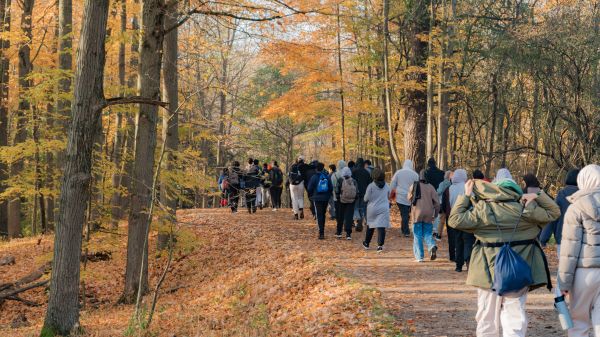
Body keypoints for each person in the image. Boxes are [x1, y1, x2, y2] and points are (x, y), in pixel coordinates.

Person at [449, 169, 559, 337]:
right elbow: (554, 212)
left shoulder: (483, 208)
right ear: (515, 188)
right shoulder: (526, 207)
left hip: (486, 271)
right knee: (515, 318)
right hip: (518, 270)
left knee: (487, 317)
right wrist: (536, 192)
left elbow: (455, 220)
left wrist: (466, 196)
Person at [558, 164, 600, 337]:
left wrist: (564, 283)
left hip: (584, 272)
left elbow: (570, 248)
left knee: (578, 323)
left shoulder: (575, 207)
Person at [540, 169, 579, 256]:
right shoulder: (586, 196)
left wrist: (543, 238)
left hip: (563, 240)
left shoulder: (561, 195)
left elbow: (553, 217)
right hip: (583, 241)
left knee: (565, 267)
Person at [408, 169, 440, 262]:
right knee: (427, 233)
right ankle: (431, 245)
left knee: (417, 234)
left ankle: (420, 257)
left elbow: (409, 198)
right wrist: (436, 214)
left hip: (416, 213)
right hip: (428, 213)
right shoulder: (431, 187)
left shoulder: (414, 186)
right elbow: (437, 203)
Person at [447, 169, 474, 272]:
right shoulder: (466, 186)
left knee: (458, 241)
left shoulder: (450, 188)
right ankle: (468, 261)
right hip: (466, 216)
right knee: (467, 240)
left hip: (455, 217)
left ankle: (458, 265)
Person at [362, 168, 390, 253]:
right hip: (384, 208)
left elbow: (365, 198)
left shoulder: (371, 186)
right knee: (381, 227)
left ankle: (366, 243)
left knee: (371, 226)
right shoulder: (387, 185)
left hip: (372, 208)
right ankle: (380, 246)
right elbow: (389, 195)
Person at [390, 160, 419, 237]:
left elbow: (393, 184)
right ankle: (405, 231)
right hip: (410, 197)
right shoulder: (415, 175)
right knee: (406, 213)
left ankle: (404, 230)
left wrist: (390, 193)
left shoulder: (398, 172)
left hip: (400, 197)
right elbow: (417, 187)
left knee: (404, 213)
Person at [307, 162, 333, 240]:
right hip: (325, 198)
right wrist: (328, 195)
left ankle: (321, 232)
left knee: (319, 215)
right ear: (323, 168)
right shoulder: (327, 177)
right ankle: (322, 229)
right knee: (323, 214)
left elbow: (309, 188)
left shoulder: (314, 177)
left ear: (316, 169)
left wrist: (311, 195)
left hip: (317, 199)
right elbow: (331, 188)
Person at [424, 158, 445, 240]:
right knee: (437, 212)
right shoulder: (441, 173)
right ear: (435, 163)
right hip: (438, 194)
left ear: (428, 164)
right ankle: (435, 230)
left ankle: (428, 229)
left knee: (428, 211)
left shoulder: (425, 172)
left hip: (428, 194)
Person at [335, 167, 357, 239]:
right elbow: (357, 191)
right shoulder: (353, 180)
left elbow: (337, 190)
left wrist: (338, 197)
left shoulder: (340, 180)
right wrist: (354, 198)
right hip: (351, 201)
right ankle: (348, 234)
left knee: (340, 216)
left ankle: (339, 233)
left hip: (342, 201)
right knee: (349, 217)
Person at [352, 158, 372, 231]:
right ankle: (361, 222)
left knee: (356, 207)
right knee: (362, 208)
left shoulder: (354, 171)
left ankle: (358, 221)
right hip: (364, 193)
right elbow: (369, 183)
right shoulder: (366, 172)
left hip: (355, 193)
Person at [331, 160, 347, 234]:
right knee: (345, 212)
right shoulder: (347, 174)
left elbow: (332, 187)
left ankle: (339, 229)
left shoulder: (334, 175)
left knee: (338, 213)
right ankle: (346, 226)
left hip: (336, 197)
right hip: (346, 196)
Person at [436, 170, 452, 241]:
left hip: (442, 203)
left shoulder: (442, 183)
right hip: (449, 204)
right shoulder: (451, 184)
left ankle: (438, 235)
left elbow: (438, 192)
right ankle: (450, 236)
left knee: (441, 220)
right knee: (450, 220)